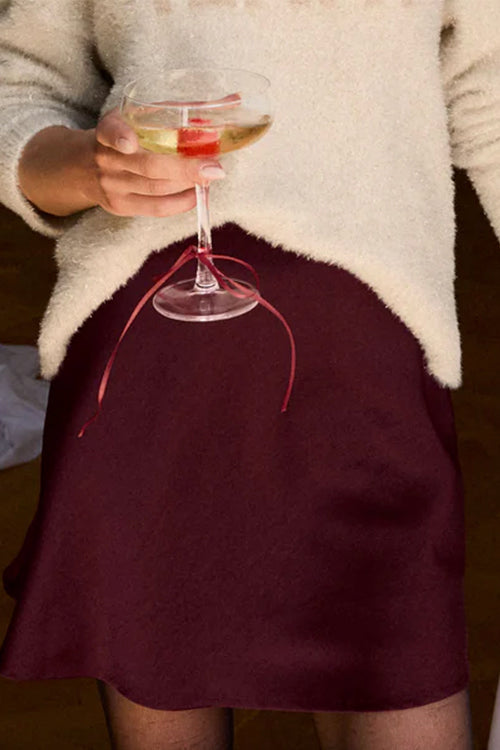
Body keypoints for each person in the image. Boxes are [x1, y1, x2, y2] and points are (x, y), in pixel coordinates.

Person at [0, 0, 497, 748]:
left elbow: (492, 96)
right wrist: (84, 169)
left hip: (371, 355)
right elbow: (21, 88)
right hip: (152, 350)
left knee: (403, 670)